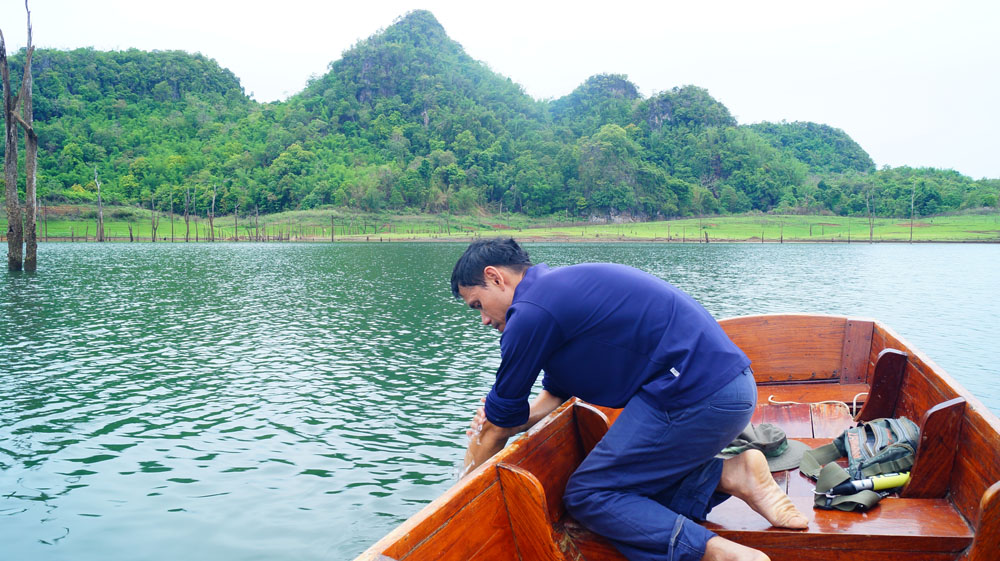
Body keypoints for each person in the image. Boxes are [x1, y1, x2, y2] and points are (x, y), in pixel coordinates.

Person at [451, 238, 808, 561]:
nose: (483, 320)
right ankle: (730, 474)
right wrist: (507, 418)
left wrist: (454, 496)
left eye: (478, 305)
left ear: (495, 277)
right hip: (732, 389)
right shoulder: (558, 292)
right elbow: (552, 396)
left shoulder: (529, 313)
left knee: (589, 496)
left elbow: (497, 431)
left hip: (691, 397)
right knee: (630, 496)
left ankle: (716, 553)